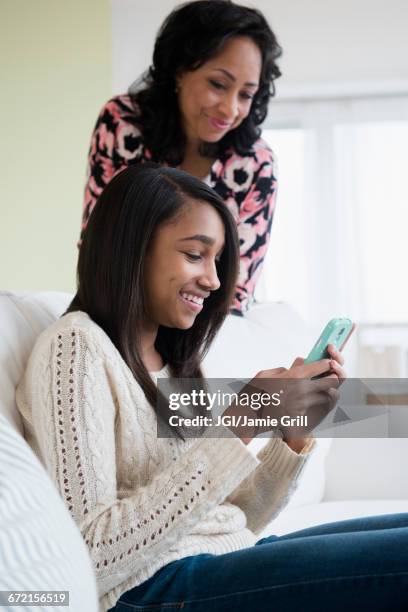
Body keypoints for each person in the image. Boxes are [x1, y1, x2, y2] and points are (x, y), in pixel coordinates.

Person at [17, 164, 408, 611]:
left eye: (217, 260)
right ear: (131, 249)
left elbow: (234, 516)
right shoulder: (76, 347)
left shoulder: (175, 363)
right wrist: (245, 418)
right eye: (194, 254)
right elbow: (88, 554)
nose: (214, 280)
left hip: (220, 559)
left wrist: (291, 435)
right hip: (150, 590)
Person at [82, 0, 282, 315]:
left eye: (245, 94)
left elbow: (234, 291)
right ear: (179, 69)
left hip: (204, 326)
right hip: (118, 313)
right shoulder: (122, 123)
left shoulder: (256, 164)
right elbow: (98, 245)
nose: (230, 110)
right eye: (218, 85)